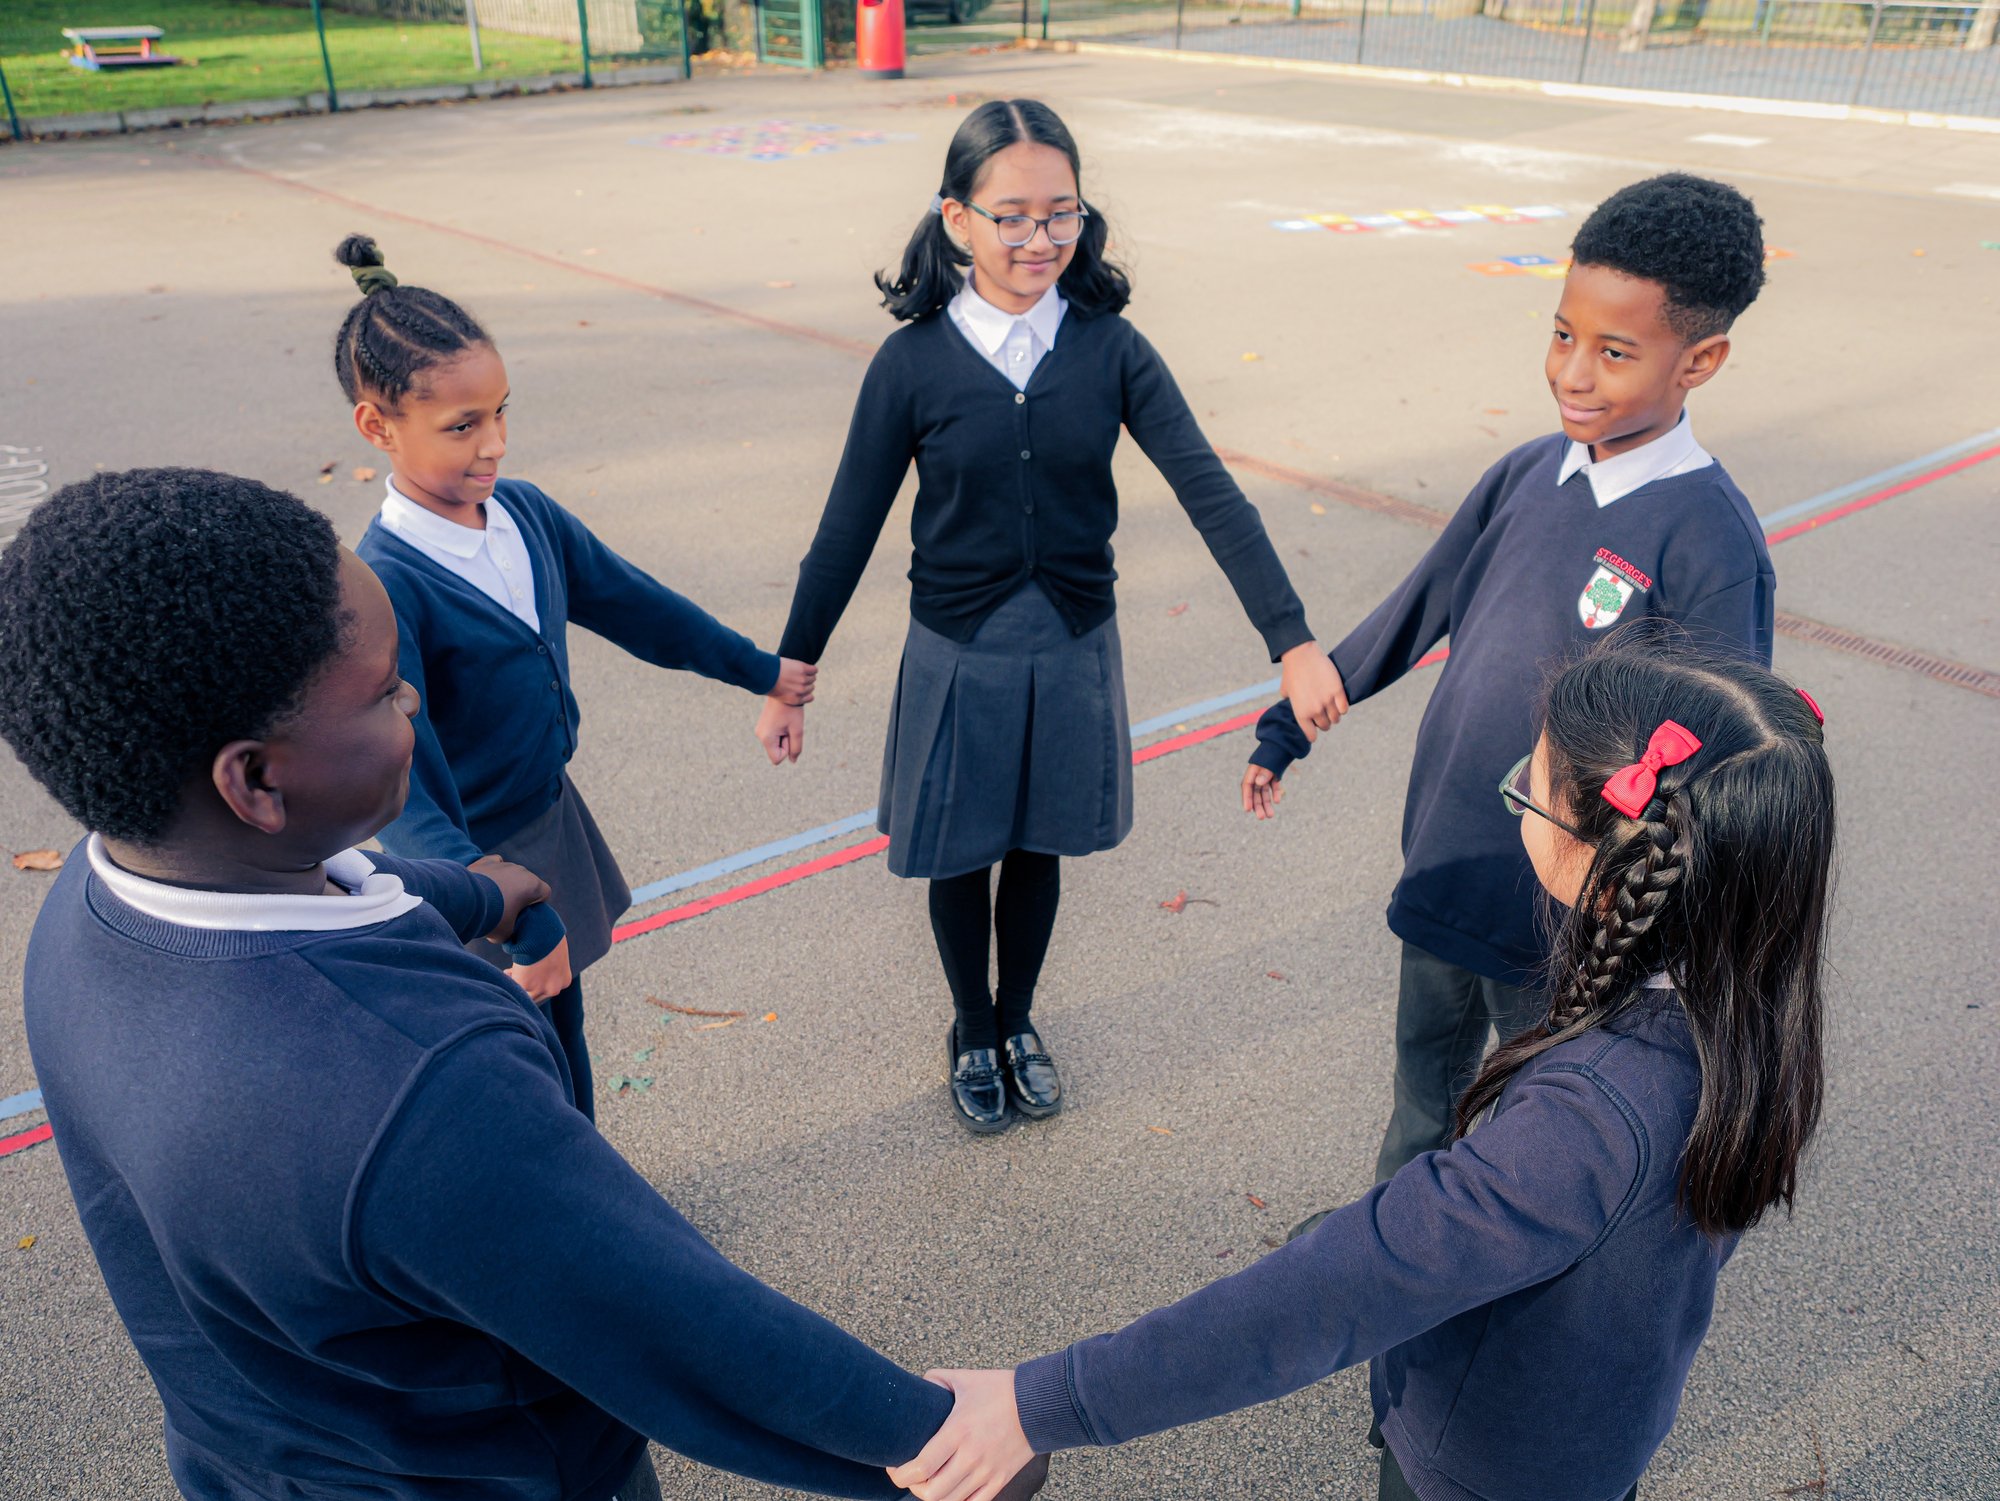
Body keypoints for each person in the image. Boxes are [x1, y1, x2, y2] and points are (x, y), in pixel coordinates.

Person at [0, 469, 1048, 1501]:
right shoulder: (418, 1086)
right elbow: (675, 1328)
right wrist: (936, 1445)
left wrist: (473, 891)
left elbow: (354, 887)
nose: (415, 704)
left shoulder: (89, 914)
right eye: (387, 692)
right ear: (257, 779)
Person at [886, 626, 1833, 1501]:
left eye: (1527, 789)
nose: (1517, 809)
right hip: (1597, 1442)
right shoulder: (1743, 1011)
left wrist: (1041, 1403)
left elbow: (1335, 1289)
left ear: (1611, 845)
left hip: (1481, 1467)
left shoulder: (1588, 1116)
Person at [768, 99, 1346, 1133]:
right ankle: (968, 1025)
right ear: (955, 220)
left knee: (1034, 849)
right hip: (960, 648)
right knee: (958, 851)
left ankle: (1017, 1016)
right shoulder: (912, 364)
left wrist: (1290, 637)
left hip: (1071, 639)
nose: (1039, 239)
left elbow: (1209, 491)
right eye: (1011, 217)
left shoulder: (1111, 350)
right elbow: (844, 528)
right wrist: (792, 668)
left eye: (1060, 215)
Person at [1244, 172, 1777, 1189]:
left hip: (1563, 915)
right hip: (1445, 865)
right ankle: (1386, 1250)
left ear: (1698, 360)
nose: (1573, 373)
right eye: (1561, 334)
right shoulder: (1529, 473)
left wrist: (1618, 870)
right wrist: (1291, 723)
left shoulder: (1707, 536)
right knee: (1418, 1102)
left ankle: (1491, 1306)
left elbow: (1722, 752)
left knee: (1527, 1135)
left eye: (1613, 351)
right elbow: (1419, 601)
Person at [335, 234, 817, 1118]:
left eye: (501, 413)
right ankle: (539, 1226)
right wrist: (513, 909)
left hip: (542, 823)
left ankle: (585, 1185)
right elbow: (402, 790)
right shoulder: (387, 587)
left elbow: (639, 607)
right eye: (463, 426)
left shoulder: (523, 513)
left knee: (565, 1039)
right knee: (505, 1072)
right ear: (377, 427)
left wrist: (760, 671)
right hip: (463, 866)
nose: (496, 445)